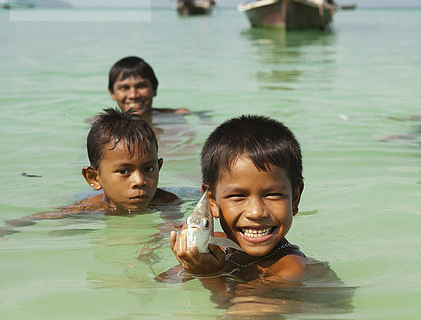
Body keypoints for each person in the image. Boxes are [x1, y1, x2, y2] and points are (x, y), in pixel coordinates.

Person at [161, 114, 307, 283]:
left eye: (272, 195)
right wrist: (190, 264)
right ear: (212, 202)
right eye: (238, 196)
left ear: (295, 199)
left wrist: (208, 275)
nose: (256, 212)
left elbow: (239, 309)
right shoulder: (218, 245)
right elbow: (163, 283)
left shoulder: (291, 269)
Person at [1, 109, 180, 235]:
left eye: (148, 169)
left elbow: (170, 228)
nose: (139, 181)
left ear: (159, 167)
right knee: (61, 232)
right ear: (94, 178)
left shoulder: (168, 202)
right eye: (124, 171)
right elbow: (37, 218)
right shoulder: (88, 207)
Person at [108, 56, 189, 123]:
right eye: (124, 88)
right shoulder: (101, 126)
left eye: (141, 86)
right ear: (112, 93)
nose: (133, 95)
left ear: (154, 88)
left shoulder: (177, 115)